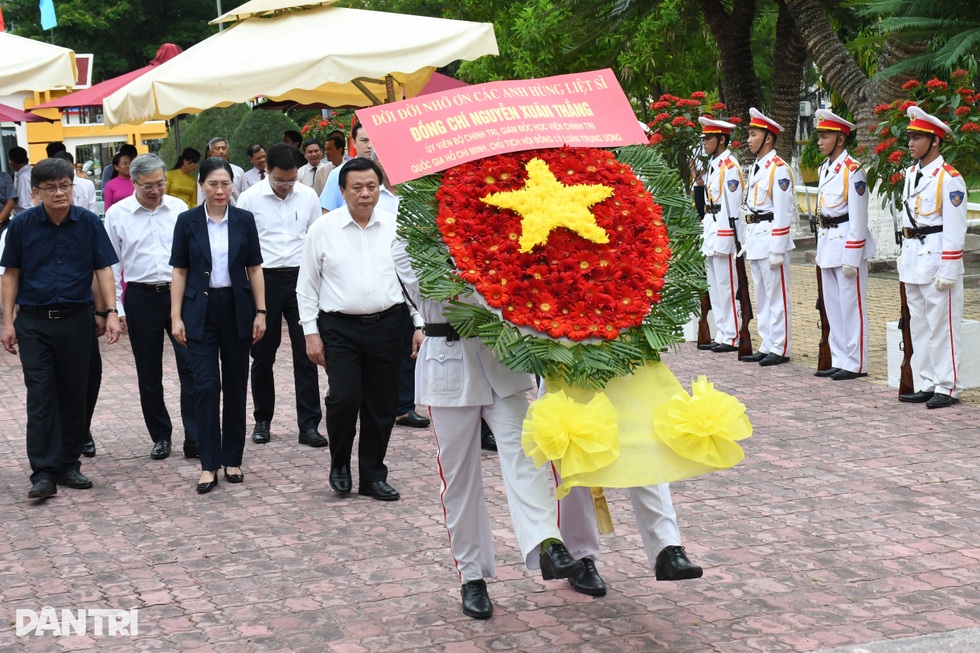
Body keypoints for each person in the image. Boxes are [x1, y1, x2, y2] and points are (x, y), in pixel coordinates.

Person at [392, 241, 594, 620]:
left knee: (527, 455)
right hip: (449, 361)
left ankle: (547, 543)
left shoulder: (489, 222)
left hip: (503, 360)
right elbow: (442, 290)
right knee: (459, 479)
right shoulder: (406, 239)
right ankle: (472, 577)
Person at [298, 157, 420, 502]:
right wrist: (310, 332)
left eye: (372, 187)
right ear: (342, 191)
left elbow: (408, 280)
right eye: (357, 187)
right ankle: (340, 463)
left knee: (382, 405)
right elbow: (306, 285)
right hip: (339, 327)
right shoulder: (322, 229)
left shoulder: (394, 225)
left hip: (389, 323)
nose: (365, 194)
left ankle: (372, 475)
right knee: (344, 397)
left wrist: (418, 323)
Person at [0, 157, 122, 500]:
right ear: (36, 192)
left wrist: (110, 312)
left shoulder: (87, 223)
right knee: (41, 395)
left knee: (75, 392)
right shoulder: (22, 226)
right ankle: (43, 471)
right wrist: (7, 321)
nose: (59, 192)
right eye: (50, 188)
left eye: (64, 185)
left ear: (73, 185)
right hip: (35, 322)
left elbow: (104, 270)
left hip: (76, 319)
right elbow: (10, 275)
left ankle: (69, 464)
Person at [170, 158, 266, 493]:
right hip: (200, 312)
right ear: (202, 185)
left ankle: (233, 459)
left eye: (225, 184)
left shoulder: (244, 220)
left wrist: (262, 312)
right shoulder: (187, 221)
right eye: (213, 184)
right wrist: (176, 315)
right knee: (207, 386)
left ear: (233, 185)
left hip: (237, 309)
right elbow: (180, 270)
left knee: (237, 384)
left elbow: (254, 267)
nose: (220, 190)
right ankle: (209, 463)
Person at [104, 153, 198, 460]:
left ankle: (195, 435)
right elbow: (112, 266)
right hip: (141, 297)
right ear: (133, 182)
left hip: (179, 296)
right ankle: (160, 435)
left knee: (191, 365)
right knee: (149, 371)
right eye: (148, 186)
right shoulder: (118, 215)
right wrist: (116, 309)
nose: (156, 190)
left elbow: (192, 258)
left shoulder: (179, 209)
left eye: (160, 183)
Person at [237, 144, 324, 448]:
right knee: (263, 353)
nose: (286, 187)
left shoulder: (308, 195)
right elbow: (243, 247)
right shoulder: (249, 199)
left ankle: (309, 424)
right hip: (265, 280)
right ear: (267, 172)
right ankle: (262, 420)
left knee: (307, 351)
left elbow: (315, 239)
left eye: (291, 180)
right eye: (279, 181)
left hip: (301, 280)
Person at [897, 106, 968, 409]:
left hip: (937, 258)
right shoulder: (912, 174)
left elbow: (956, 227)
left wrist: (950, 269)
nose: (911, 142)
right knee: (918, 325)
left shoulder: (949, 179)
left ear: (935, 141)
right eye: (909, 136)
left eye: (917, 137)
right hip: (913, 258)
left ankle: (948, 385)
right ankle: (927, 381)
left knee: (943, 326)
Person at [812, 110, 876, 381]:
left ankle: (856, 362)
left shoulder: (854, 171)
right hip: (828, 243)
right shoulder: (824, 168)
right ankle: (839, 358)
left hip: (847, 245)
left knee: (851, 306)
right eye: (819, 136)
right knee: (833, 306)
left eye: (825, 136)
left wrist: (853, 256)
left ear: (840, 139)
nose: (819, 141)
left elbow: (859, 218)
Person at [370, 154, 429, 430]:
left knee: (410, 338)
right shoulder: (371, 192)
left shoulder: (416, 192)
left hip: (411, 275)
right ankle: (378, 402)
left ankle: (405, 406)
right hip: (378, 273)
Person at [741, 108, 794, 366]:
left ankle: (781, 347)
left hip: (771, 238)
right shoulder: (756, 169)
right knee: (761, 295)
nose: (749, 140)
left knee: (776, 296)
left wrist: (778, 248)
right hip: (755, 238)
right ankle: (767, 342)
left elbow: (784, 212)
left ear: (768, 138)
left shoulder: (779, 169)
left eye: (753, 135)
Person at [697, 117, 744, 353]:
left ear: (722, 140)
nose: (704, 142)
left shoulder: (730, 167)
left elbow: (732, 207)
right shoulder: (714, 165)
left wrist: (728, 237)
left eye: (708, 138)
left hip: (723, 232)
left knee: (726, 286)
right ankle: (723, 332)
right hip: (711, 229)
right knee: (715, 287)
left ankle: (733, 335)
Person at [319, 122, 373, 213]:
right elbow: (326, 212)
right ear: (354, 143)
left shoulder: (392, 174)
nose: (370, 146)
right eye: (364, 140)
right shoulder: (338, 174)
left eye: (374, 140)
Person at [195, 138, 246, 206]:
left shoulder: (239, 171)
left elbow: (245, 194)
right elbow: (201, 197)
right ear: (210, 152)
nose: (221, 151)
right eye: (217, 149)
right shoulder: (205, 171)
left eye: (224, 148)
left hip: (236, 212)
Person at [8, 147, 33, 216]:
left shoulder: (23, 176)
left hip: (26, 215)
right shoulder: (30, 172)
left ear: (13, 162)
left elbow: (24, 204)